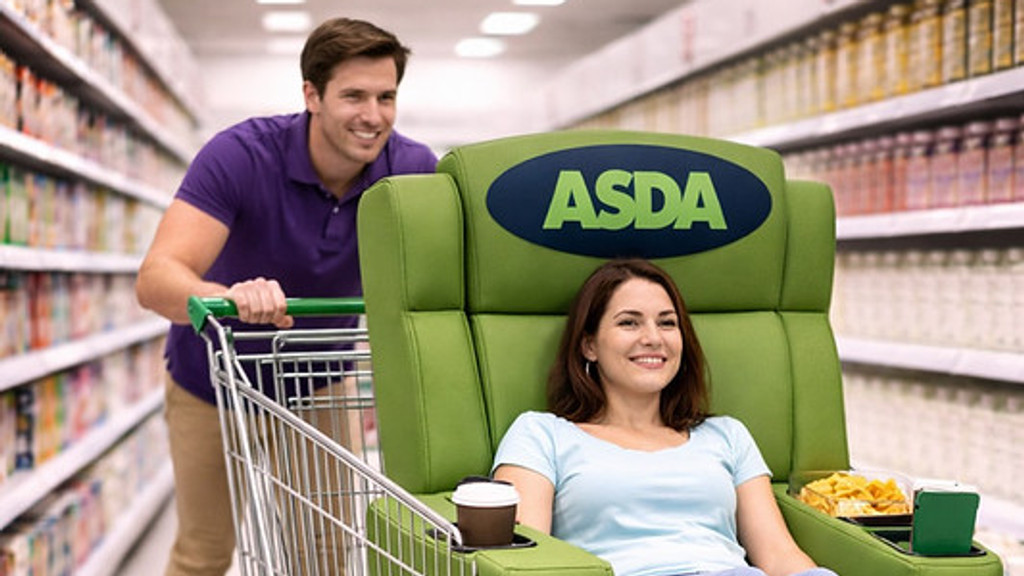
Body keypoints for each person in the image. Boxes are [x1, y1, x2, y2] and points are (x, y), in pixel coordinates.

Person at [135, 17, 437, 576]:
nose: (373, 116)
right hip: (213, 384)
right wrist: (225, 295)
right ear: (311, 95)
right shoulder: (240, 156)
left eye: (386, 96)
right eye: (354, 96)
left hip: (318, 382)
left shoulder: (412, 171)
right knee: (203, 555)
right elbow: (156, 278)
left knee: (322, 557)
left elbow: (444, 278)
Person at [492, 259, 839, 576]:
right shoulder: (541, 434)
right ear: (589, 345)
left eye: (667, 323)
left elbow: (779, 555)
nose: (653, 338)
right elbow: (528, 560)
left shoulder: (727, 436)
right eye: (629, 322)